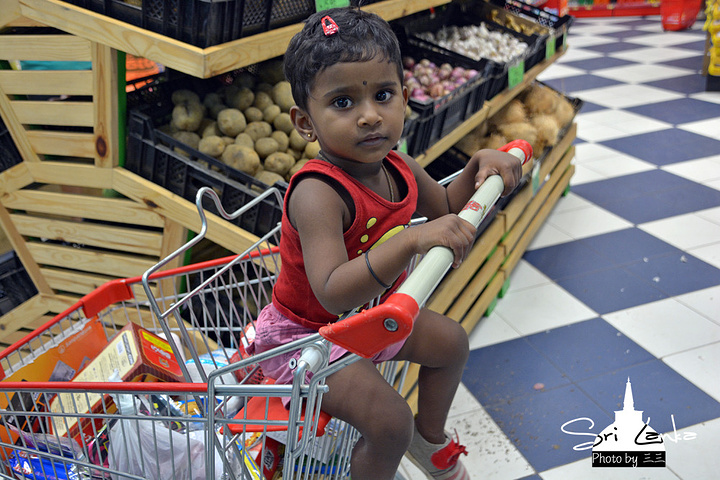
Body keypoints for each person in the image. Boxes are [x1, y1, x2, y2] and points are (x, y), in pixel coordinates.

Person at [247, 7, 523, 480]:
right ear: (304, 121)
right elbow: (332, 289)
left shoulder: (400, 166)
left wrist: (481, 167)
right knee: (388, 420)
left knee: (451, 343)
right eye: (342, 103)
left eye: (382, 95)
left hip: (367, 320)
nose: (369, 116)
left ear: (406, 97)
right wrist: (412, 239)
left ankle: (428, 439)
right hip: (307, 341)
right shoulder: (317, 193)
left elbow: (448, 212)